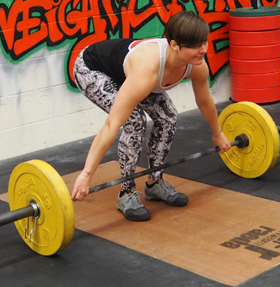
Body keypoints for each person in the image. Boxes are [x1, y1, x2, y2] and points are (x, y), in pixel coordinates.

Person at [71, 11, 232, 221]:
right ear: (175, 45)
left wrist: (217, 133)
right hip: (92, 68)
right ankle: (126, 193)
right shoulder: (148, 69)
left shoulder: (197, 66)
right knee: (134, 120)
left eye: (205, 42)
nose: (203, 50)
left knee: (168, 117)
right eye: (196, 46)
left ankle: (154, 184)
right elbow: (112, 125)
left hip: (128, 72)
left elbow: (204, 101)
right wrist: (86, 174)